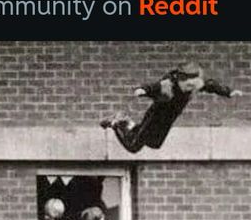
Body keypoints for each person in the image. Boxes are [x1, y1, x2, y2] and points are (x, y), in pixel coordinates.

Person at [100, 61, 242, 153]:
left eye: (192, 86)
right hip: (156, 116)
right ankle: (117, 123)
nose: (189, 89)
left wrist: (229, 92)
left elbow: (211, 85)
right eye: (187, 86)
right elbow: (153, 87)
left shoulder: (196, 83)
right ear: (180, 80)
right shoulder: (167, 85)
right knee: (134, 147)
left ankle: (128, 124)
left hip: (168, 118)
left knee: (155, 144)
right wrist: (142, 90)